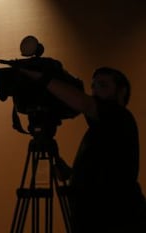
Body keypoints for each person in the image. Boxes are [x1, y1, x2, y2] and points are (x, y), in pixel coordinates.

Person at [21, 66, 146, 232]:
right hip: (97, 219)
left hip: (116, 220)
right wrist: (71, 174)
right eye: (93, 86)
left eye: (103, 85)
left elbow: (85, 103)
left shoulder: (120, 116)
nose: (94, 91)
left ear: (122, 91)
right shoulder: (100, 129)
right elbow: (106, 173)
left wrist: (39, 77)